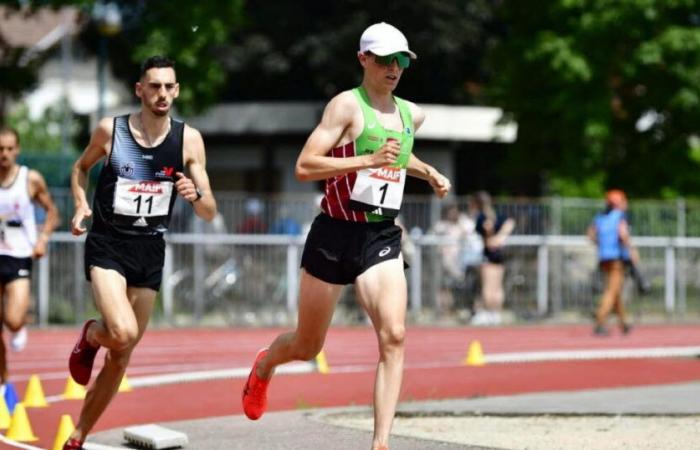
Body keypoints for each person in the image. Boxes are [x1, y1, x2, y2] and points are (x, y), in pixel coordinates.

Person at [241, 22, 451, 450]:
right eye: (386, 60)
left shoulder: (413, 113)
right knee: (307, 345)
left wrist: (427, 171)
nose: (395, 69)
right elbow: (305, 165)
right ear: (364, 60)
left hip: (380, 237)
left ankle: (380, 442)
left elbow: (400, 152)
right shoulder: (345, 107)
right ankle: (265, 366)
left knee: (394, 334)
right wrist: (365, 159)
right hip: (333, 234)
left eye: (402, 61)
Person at [63, 56, 217, 450]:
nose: (162, 94)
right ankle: (91, 334)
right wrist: (81, 205)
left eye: (169, 87)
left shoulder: (188, 140)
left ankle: (79, 434)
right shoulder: (111, 131)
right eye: (154, 86)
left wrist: (195, 195)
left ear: (176, 90)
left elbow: (209, 209)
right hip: (109, 245)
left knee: (122, 356)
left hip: (150, 250)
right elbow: (80, 169)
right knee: (123, 332)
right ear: (140, 90)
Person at [0, 126, 58, 386]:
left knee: (12, 320)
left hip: (19, 255)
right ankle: (3, 382)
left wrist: (42, 239)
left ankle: (18, 326)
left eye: (10, 149)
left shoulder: (29, 179)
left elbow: (52, 211)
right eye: (0, 149)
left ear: (17, 150)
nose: (4, 154)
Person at [587, 189, 637, 336]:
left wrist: (602, 244)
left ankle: (624, 322)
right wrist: (632, 251)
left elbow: (590, 234)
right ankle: (600, 320)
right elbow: (623, 234)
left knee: (615, 291)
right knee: (611, 291)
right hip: (616, 258)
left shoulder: (600, 217)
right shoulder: (620, 216)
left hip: (604, 257)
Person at [471, 190, 515, 326]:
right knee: (498, 287)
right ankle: (496, 314)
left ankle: (489, 313)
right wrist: (501, 236)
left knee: (488, 287)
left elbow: (488, 242)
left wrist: (495, 237)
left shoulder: (482, 217)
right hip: (499, 256)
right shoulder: (497, 215)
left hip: (489, 256)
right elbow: (510, 222)